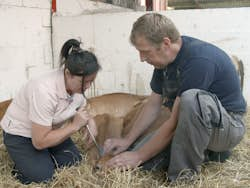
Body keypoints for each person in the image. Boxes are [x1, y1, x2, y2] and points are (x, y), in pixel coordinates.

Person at [103, 13, 246, 182]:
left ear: (165, 43)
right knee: (142, 162)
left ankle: (181, 179)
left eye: (145, 52)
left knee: (191, 99)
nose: (141, 58)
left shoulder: (199, 60)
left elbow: (174, 122)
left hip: (227, 127)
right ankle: (209, 154)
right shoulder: (164, 61)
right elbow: (153, 105)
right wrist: (128, 141)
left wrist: (139, 155)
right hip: (190, 125)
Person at [1, 39, 101, 184]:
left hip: (49, 130)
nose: (87, 86)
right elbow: (39, 142)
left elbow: (82, 105)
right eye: (84, 82)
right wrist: (74, 126)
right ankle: (24, 166)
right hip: (22, 135)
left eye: (91, 81)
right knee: (43, 177)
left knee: (73, 161)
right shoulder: (44, 90)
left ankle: (37, 160)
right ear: (68, 73)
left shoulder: (76, 85)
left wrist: (90, 120)